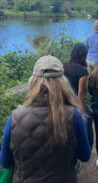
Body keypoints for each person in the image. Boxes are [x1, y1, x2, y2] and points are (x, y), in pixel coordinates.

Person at [0, 55, 91, 183]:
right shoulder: (74, 116)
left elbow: (4, 161)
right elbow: (85, 155)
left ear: (33, 82)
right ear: (63, 83)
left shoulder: (15, 118)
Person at [64, 43, 93, 171]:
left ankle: (70, 159)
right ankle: (86, 148)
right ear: (83, 55)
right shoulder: (83, 71)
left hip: (65, 102)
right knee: (83, 127)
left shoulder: (65, 65)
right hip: (76, 104)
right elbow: (81, 91)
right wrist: (82, 108)